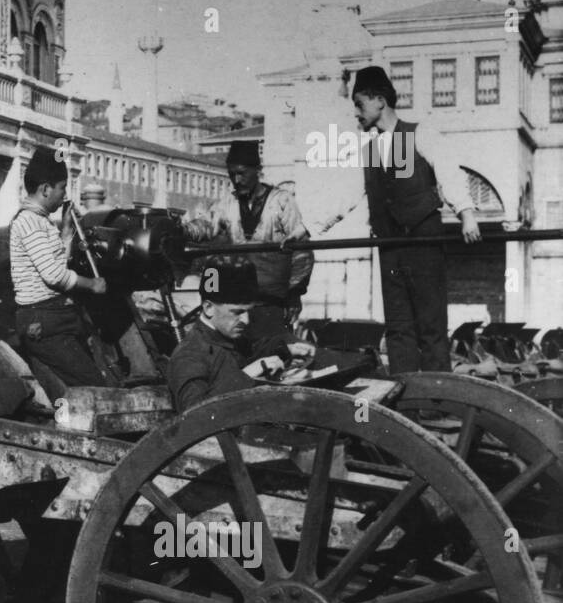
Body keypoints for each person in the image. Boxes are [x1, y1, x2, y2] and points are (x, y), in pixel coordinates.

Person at [317, 65, 481, 373]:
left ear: (379, 100)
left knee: (430, 325)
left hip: (423, 238)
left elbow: (448, 172)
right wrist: (309, 228)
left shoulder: (416, 134)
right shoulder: (372, 149)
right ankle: (407, 404)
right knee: (398, 326)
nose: (356, 113)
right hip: (390, 243)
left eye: (359, 104)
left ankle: (437, 403)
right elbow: (347, 196)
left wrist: (466, 214)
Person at [183, 140, 313, 340]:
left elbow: (302, 250)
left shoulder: (282, 201)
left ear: (257, 170)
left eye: (242, 173)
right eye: (232, 174)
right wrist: (181, 231)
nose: (236, 179)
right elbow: (206, 225)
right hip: (240, 297)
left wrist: (295, 294)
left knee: (271, 348)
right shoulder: (228, 202)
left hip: (273, 299)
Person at [10, 146, 110, 396]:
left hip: (53, 315)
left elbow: (55, 263)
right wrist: (91, 284)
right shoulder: (29, 222)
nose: (65, 195)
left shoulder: (41, 221)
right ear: (45, 189)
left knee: (96, 373)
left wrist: (66, 233)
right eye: (62, 188)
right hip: (42, 319)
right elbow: (54, 275)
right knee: (94, 387)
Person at [168, 259, 316, 411]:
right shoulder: (189, 355)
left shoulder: (226, 338)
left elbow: (253, 350)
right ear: (208, 307)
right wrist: (249, 373)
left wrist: (286, 349)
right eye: (237, 312)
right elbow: (194, 415)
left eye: (248, 311)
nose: (246, 320)